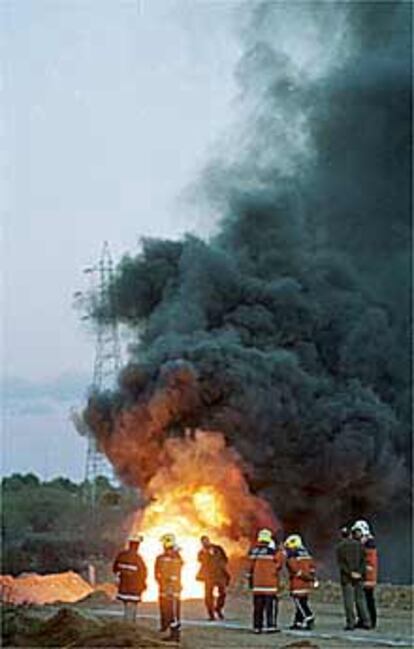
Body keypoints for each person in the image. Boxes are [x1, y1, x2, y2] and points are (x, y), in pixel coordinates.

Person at [247, 528, 284, 634]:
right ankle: (270, 626)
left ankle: (257, 627)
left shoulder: (253, 551)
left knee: (258, 607)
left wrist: (251, 581)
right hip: (269, 585)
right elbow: (279, 564)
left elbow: (249, 568)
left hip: (257, 585)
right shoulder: (273, 551)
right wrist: (281, 550)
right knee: (270, 607)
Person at [336, 525, 370, 631]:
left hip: (347, 578)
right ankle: (366, 621)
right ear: (350, 534)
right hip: (359, 577)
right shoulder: (360, 545)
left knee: (348, 601)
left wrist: (350, 573)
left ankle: (351, 623)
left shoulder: (339, 547)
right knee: (361, 599)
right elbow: (364, 561)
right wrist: (359, 573)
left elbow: (341, 564)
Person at [155, 533, 184, 642]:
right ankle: (170, 631)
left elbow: (177, 569)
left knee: (174, 613)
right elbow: (157, 573)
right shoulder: (169, 557)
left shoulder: (174, 558)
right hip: (166, 589)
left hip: (172, 590)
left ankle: (175, 635)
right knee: (168, 612)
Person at [284, 534, 317, 630]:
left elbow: (294, 569)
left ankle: (309, 617)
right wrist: (311, 578)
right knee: (302, 602)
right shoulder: (307, 554)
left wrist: (305, 576)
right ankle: (298, 622)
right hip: (305, 585)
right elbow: (312, 568)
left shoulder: (292, 555)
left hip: (297, 584)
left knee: (300, 603)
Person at [112, 534, 147, 623]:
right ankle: (131, 623)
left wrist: (119, 577)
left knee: (126, 605)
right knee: (132, 605)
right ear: (137, 545)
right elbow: (143, 573)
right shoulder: (138, 558)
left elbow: (115, 568)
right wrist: (143, 585)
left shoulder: (121, 555)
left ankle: (126, 623)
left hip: (124, 587)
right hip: (134, 588)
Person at [197, 535, 230, 620]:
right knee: (208, 596)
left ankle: (218, 609)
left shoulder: (218, 548)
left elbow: (225, 558)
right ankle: (211, 614)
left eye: (206, 541)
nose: (205, 543)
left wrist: (222, 568)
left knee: (222, 593)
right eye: (203, 542)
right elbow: (200, 560)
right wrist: (206, 554)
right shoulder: (201, 552)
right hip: (209, 576)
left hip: (220, 575)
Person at [352, 520, 378, 629]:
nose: (356, 534)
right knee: (361, 599)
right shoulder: (364, 543)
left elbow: (368, 561)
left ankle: (370, 620)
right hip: (364, 575)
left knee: (368, 599)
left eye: (357, 532)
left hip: (367, 576)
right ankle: (363, 619)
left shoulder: (369, 544)